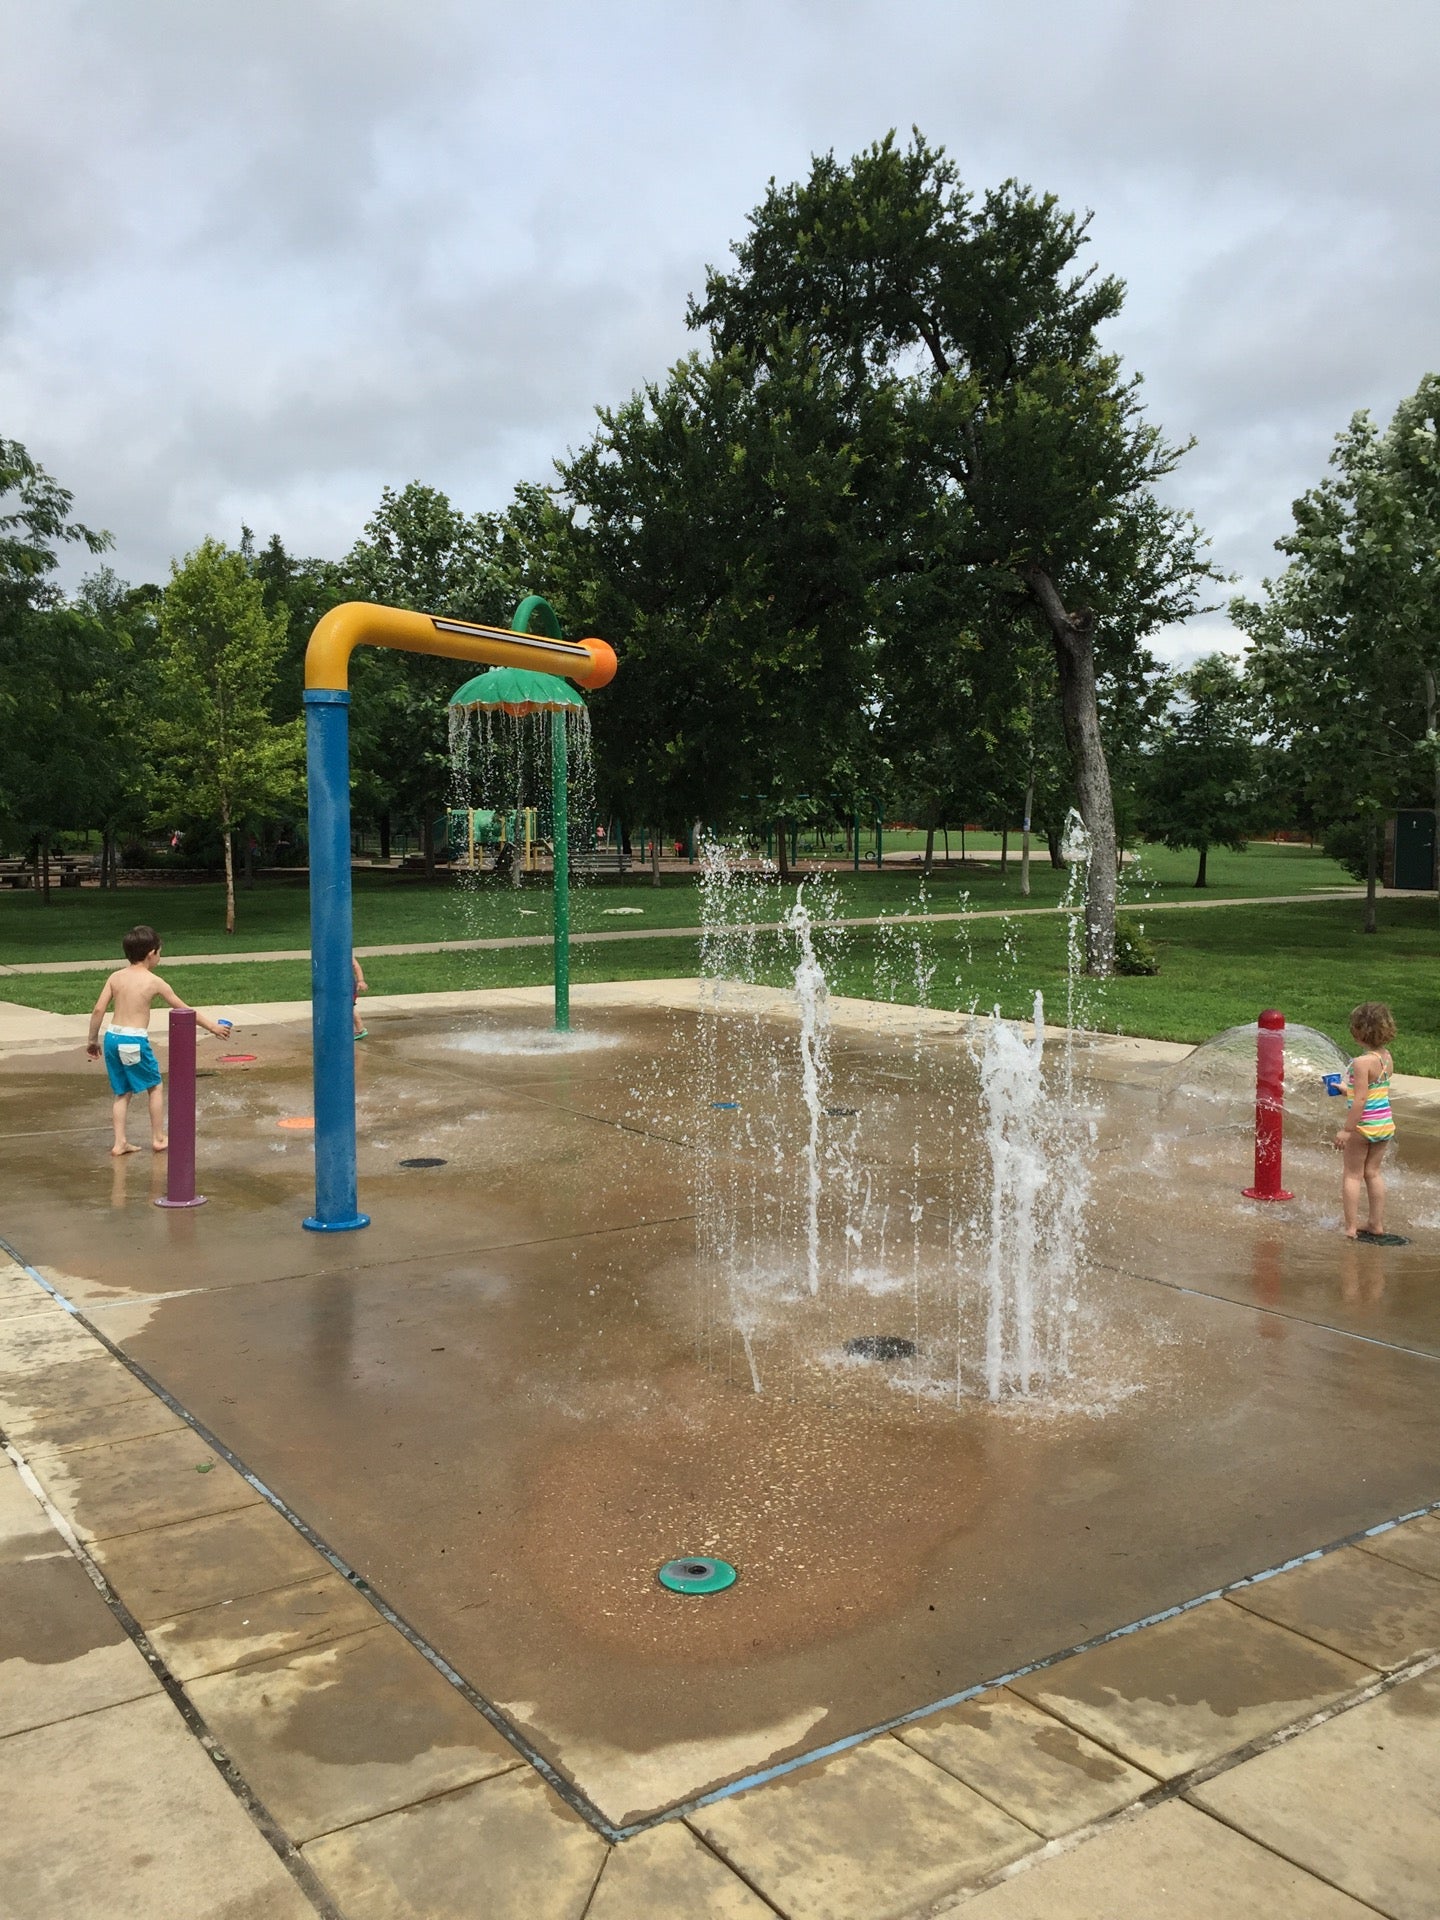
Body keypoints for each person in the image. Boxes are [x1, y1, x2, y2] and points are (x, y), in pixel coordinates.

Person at [86, 925, 231, 1156]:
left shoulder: (115, 977)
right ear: (152, 953)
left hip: (112, 1037)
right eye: (160, 952)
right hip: (133, 1040)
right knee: (154, 1086)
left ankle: (120, 1142)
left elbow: (98, 1010)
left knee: (122, 1091)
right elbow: (183, 1009)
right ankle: (158, 1138)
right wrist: (213, 1027)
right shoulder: (154, 982)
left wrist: (92, 1040)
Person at [1335, 1001, 1400, 1242]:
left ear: (1359, 1032)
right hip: (1384, 1123)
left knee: (1352, 1174)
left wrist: (1346, 1130)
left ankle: (1351, 1227)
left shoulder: (1361, 1063)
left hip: (1363, 1126)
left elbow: (1361, 1101)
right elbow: (1372, 1090)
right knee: (1372, 1173)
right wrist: (1346, 1089)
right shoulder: (1385, 1058)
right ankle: (1375, 1223)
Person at [353, 955, 369, 1039]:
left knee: (349, 1007)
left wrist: (361, 981)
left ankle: (360, 1029)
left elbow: (356, 966)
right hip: (340, 983)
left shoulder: (345, 952)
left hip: (347, 985)